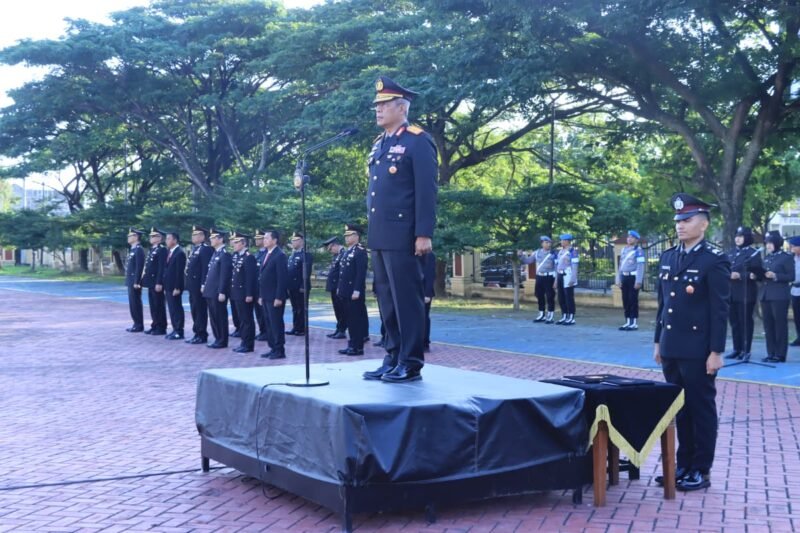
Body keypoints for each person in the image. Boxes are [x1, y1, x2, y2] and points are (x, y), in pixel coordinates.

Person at [362, 76, 438, 384]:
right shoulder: (380, 143)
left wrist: (423, 233)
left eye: (384, 105)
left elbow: (426, 190)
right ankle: (392, 355)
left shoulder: (417, 140)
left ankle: (410, 361)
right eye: (377, 105)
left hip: (405, 234)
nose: (378, 110)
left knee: (407, 300)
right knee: (386, 299)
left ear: (401, 107)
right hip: (380, 235)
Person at [653, 192, 729, 492]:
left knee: (701, 409)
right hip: (672, 346)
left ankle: (701, 469)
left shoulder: (714, 260)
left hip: (699, 351)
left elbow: (720, 310)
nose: (681, 226)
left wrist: (716, 351)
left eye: (688, 220)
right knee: (678, 409)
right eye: (678, 221)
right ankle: (682, 465)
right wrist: (658, 342)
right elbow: (663, 304)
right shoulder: (669, 256)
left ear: (704, 224)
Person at [724, 227, 763, 361]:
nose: (737, 239)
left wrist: (740, 275)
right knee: (734, 322)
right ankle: (737, 348)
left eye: (741, 236)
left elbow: (756, 273)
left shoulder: (753, 253)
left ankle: (746, 350)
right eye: (736, 236)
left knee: (745, 322)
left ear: (747, 238)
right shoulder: (731, 252)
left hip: (746, 292)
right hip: (731, 293)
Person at [757, 231, 794, 363]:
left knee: (780, 325)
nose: (768, 246)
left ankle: (780, 354)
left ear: (778, 243)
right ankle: (771, 352)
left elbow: (791, 276)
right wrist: (757, 275)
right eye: (767, 243)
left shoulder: (786, 257)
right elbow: (763, 274)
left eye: (771, 243)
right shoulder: (767, 258)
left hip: (779, 295)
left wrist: (776, 276)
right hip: (765, 295)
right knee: (768, 326)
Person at [337, 224, 369, 356]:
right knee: (349, 320)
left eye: (349, 235)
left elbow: (360, 273)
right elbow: (342, 273)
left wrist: (357, 290)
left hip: (354, 292)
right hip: (345, 290)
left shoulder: (360, 251)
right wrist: (340, 287)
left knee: (356, 320)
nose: (346, 238)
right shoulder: (347, 251)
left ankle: (357, 347)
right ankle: (352, 344)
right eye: (345, 235)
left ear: (356, 236)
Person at [258, 230, 288, 360]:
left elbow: (282, 278)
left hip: (274, 296)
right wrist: (260, 295)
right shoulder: (267, 254)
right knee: (268, 323)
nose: (264, 240)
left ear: (274, 240)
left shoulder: (279, 255)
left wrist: (279, 297)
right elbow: (262, 277)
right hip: (265, 295)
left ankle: (279, 349)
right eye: (264, 238)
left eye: (266, 238)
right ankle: (272, 348)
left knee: (276, 324)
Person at [201, 228, 232, 349]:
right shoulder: (215, 253)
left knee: (220, 316)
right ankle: (217, 338)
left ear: (220, 239)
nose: (211, 240)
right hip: (210, 291)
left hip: (217, 292)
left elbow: (225, 275)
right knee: (213, 316)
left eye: (214, 238)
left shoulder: (225, 254)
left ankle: (222, 340)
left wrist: (222, 291)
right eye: (211, 238)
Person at [185, 226, 214, 345]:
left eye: (196, 235)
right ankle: (196, 332)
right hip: (192, 285)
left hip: (199, 286)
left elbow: (205, 269)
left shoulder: (205, 249)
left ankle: (201, 334)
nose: (193, 237)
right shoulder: (194, 249)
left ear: (202, 237)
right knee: (194, 309)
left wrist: (203, 284)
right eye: (193, 235)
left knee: (200, 310)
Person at [229, 232, 258, 354]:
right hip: (236, 293)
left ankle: (248, 344)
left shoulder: (248, 257)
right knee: (242, 319)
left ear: (243, 243)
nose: (233, 244)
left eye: (236, 242)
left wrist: (249, 294)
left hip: (244, 294)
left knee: (247, 320)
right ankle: (243, 342)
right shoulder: (238, 256)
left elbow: (250, 278)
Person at [519, 236, 557, 323]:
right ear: (542, 243)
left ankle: (550, 315)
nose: (548, 244)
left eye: (549, 243)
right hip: (539, 276)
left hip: (549, 277)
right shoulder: (537, 252)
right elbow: (528, 261)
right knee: (539, 295)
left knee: (550, 296)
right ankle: (541, 314)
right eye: (546, 242)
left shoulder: (553, 253)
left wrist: (556, 280)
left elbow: (556, 267)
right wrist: (521, 256)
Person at [615, 230, 646, 330]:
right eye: (628, 237)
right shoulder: (624, 249)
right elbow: (620, 265)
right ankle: (627, 320)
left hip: (633, 278)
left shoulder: (639, 250)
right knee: (625, 300)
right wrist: (618, 279)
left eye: (632, 237)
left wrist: (639, 281)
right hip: (624, 277)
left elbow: (640, 266)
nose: (629, 239)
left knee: (633, 300)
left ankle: (634, 322)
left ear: (636, 240)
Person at [141, 227, 168, 335]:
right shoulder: (153, 249)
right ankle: (155, 324)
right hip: (151, 281)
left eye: (153, 236)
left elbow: (161, 268)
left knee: (159, 305)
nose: (151, 238)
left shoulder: (162, 250)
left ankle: (161, 327)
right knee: (153, 305)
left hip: (156, 282)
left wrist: (159, 282)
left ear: (160, 238)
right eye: (150, 236)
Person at [286, 232, 313, 336]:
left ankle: (302, 328)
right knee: (295, 308)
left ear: (301, 241)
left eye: (295, 240)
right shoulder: (292, 255)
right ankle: (296, 327)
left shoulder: (306, 255)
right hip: (292, 286)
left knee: (301, 308)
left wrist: (303, 285)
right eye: (292, 240)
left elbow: (307, 272)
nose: (292, 242)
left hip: (300, 286)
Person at [163, 231, 186, 340]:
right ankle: (174, 329)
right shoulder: (170, 251)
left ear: (175, 240)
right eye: (166, 239)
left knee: (176, 309)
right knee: (172, 309)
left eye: (168, 238)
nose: (166, 241)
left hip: (174, 287)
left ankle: (179, 331)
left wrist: (177, 287)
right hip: (168, 285)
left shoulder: (179, 253)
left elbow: (179, 272)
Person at [323, 236, 348, 339]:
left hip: (339, 287)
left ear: (335, 245)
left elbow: (343, 273)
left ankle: (342, 330)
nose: (330, 251)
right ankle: (339, 329)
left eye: (330, 249)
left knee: (341, 310)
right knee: (337, 309)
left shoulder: (343, 254)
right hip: (334, 287)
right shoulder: (337, 255)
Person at [555, 234, 579, 325]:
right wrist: (556, 280)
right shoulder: (561, 251)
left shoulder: (573, 252)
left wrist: (573, 279)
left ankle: (571, 316)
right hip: (560, 274)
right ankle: (564, 315)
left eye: (562, 240)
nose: (561, 242)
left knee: (569, 297)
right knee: (561, 297)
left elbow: (575, 266)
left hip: (568, 275)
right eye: (561, 240)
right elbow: (557, 266)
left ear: (567, 241)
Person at [125, 228, 146, 332]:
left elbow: (139, 267)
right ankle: (135, 323)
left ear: (136, 237)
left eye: (130, 236)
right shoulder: (133, 249)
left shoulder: (139, 249)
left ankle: (139, 324)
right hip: (130, 280)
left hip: (135, 282)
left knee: (135, 303)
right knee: (132, 303)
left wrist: (137, 281)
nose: (128, 238)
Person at [253, 230, 270, 342]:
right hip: (256, 286)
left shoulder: (266, 254)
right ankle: (262, 330)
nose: (257, 240)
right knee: (258, 311)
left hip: (263, 287)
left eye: (259, 238)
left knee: (264, 312)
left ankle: (266, 332)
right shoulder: (257, 253)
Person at [422, 251, 436, 351]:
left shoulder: (429, 255)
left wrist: (427, 293)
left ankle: (425, 343)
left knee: (424, 318)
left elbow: (430, 274)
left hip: (424, 292)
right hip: (412, 291)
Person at [790, 236, 800, 348]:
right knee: (797, 316)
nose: (791, 248)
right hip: (794, 289)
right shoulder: (791, 258)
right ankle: (799, 337)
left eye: (794, 246)